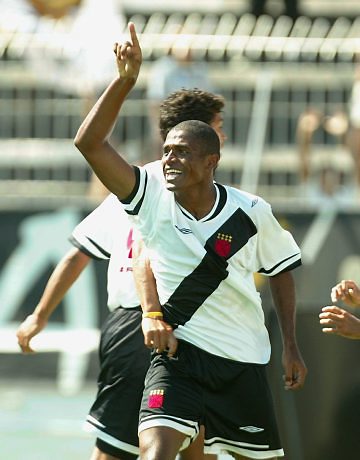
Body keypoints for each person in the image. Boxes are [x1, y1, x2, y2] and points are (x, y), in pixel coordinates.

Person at [74, 22, 307, 460]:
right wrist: (124, 82)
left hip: (238, 358)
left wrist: (291, 346)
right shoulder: (148, 193)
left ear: (211, 161)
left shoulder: (250, 212)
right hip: (176, 359)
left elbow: (281, 270)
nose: (169, 158)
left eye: (181, 152)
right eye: (166, 150)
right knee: (155, 453)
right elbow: (89, 143)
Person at [16, 84, 226, 459]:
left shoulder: (199, 193)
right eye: (218, 126)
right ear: (197, 132)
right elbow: (79, 254)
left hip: (188, 330)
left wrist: (39, 316)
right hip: (138, 328)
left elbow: (77, 255)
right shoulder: (140, 185)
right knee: (118, 449)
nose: (224, 135)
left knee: (198, 443)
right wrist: (38, 315)